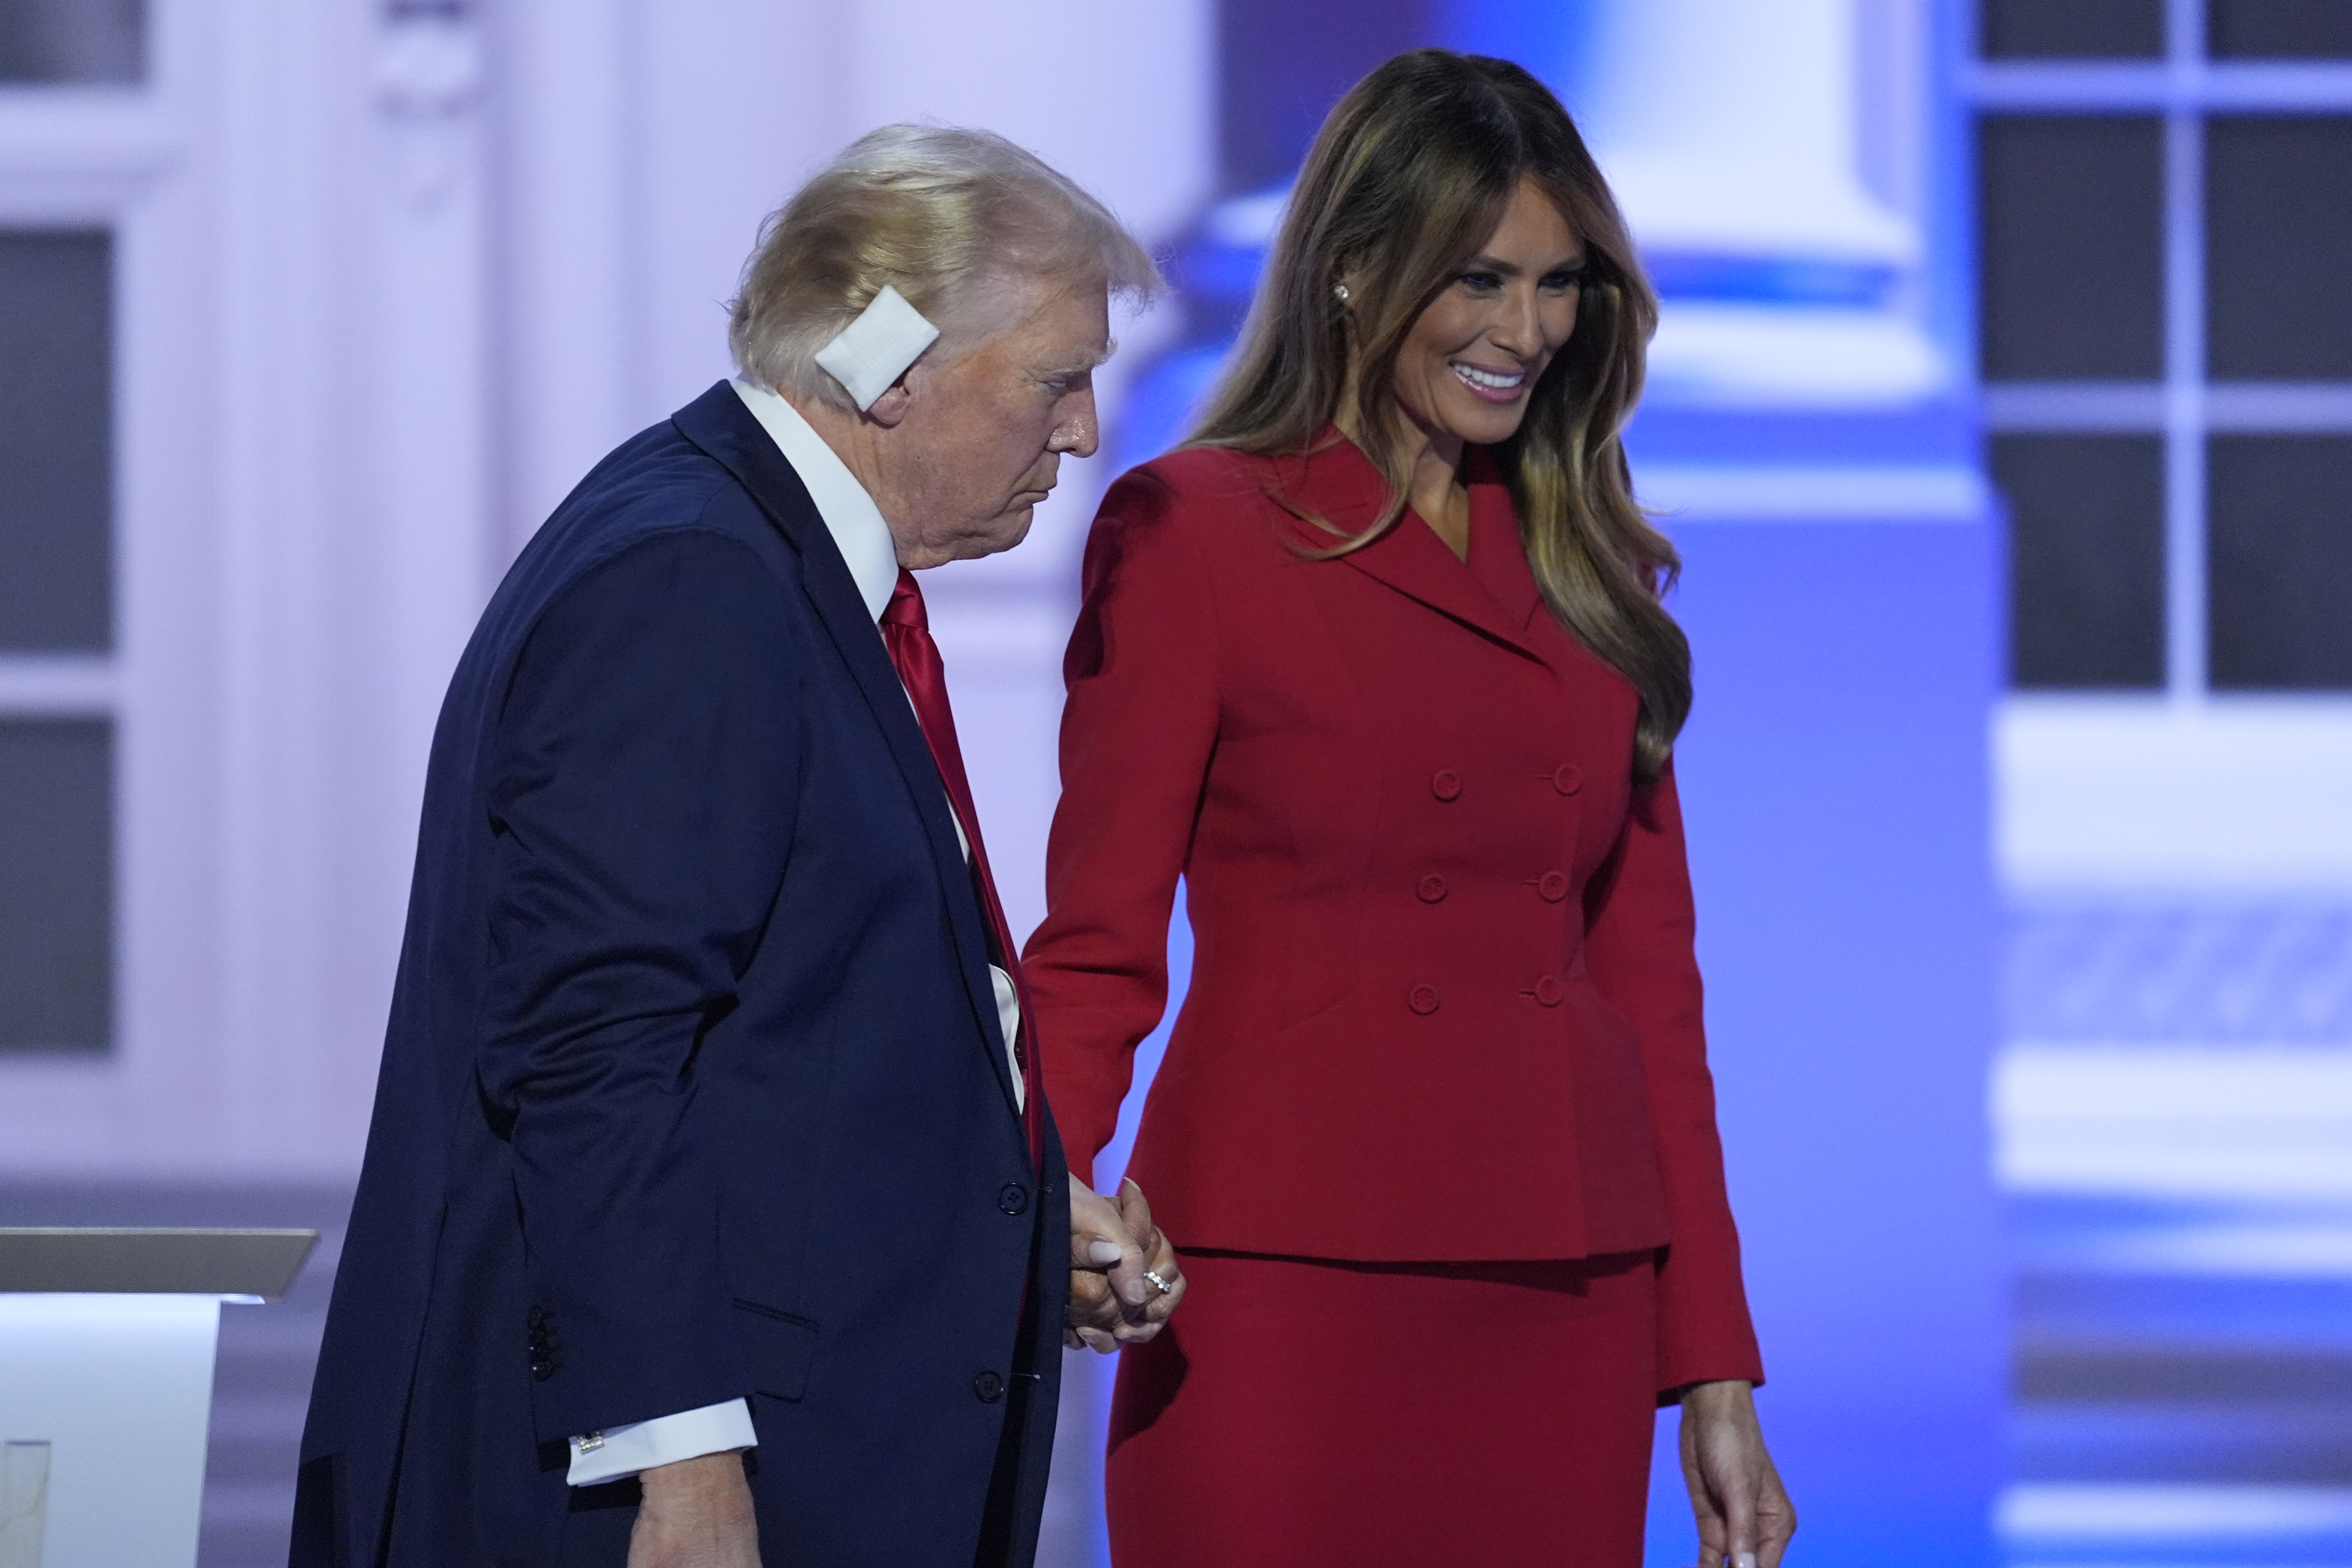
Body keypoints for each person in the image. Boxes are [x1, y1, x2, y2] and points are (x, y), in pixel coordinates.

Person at [293, 125, 1183, 1568]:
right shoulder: (693, 578)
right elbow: (594, 1052)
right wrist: (683, 1465)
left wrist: (1006, 1233)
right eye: (1055, 378)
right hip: (679, 1496)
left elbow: (786, 1040)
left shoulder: (767, 560)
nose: (1084, 432)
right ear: (890, 370)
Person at [1021, 50, 1795, 1568]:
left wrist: (1711, 1360)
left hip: (1564, 1291)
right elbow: (1100, 946)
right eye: (1482, 281)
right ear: (1359, 274)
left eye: (1561, 284)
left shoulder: (1590, 566)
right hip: (1282, 1281)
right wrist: (1034, 1205)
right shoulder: (1194, 534)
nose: (1529, 332)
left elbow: (1651, 993)